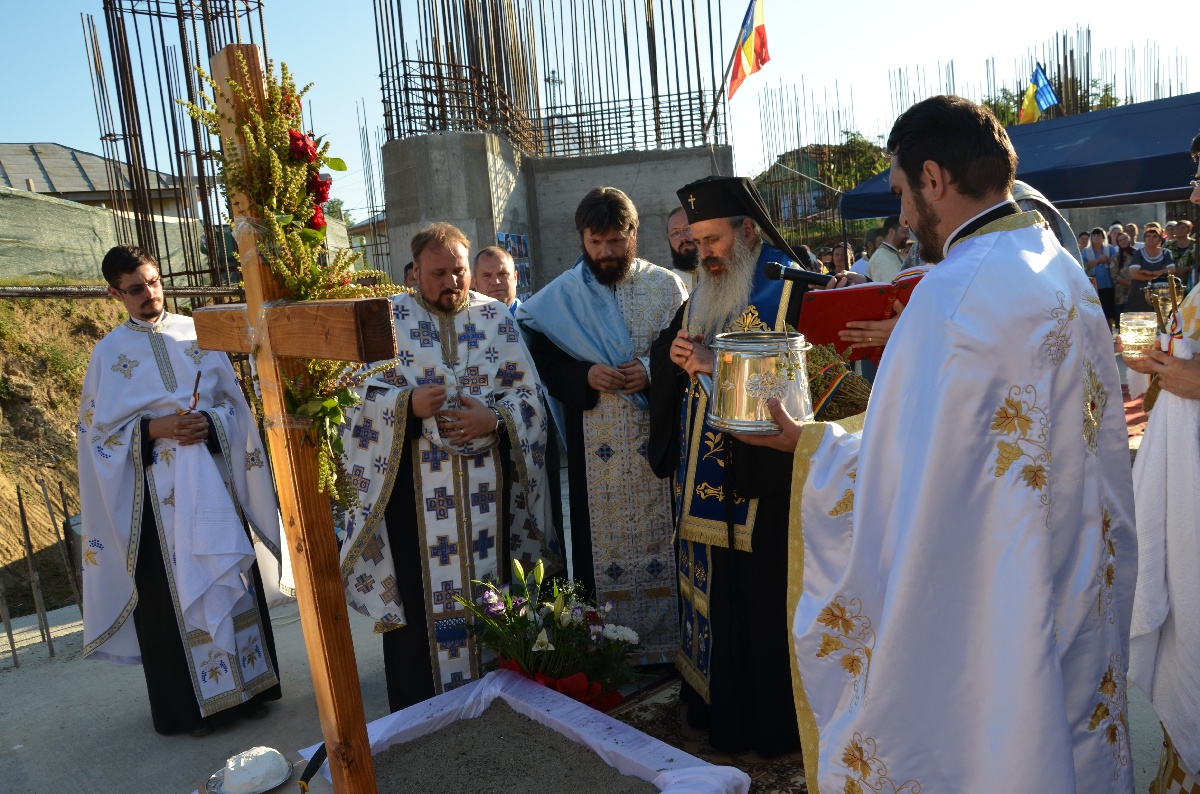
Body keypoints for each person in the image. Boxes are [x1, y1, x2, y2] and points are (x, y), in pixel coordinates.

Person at [738, 96, 1136, 792]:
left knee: (997, 739)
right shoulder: (1058, 265)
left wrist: (810, 448)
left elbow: (903, 471)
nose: (899, 217)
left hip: (1000, 583)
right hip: (1071, 564)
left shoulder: (951, 295)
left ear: (933, 179)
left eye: (898, 192)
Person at [647, 175, 846, 757]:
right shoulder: (705, 291)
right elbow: (674, 355)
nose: (702, 252)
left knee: (757, 608)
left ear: (749, 231)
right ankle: (711, 707)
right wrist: (675, 358)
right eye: (697, 241)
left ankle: (763, 726)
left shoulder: (792, 290)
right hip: (703, 487)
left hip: (763, 490)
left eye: (713, 239)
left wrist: (713, 364)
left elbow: (820, 393)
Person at [338, 222, 560, 710]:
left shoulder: (496, 318)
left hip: (490, 496)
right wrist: (406, 405)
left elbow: (531, 400)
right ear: (415, 272)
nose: (452, 283)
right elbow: (352, 401)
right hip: (413, 496)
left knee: (496, 589)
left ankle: (501, 695)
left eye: (459, 272)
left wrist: (495, 417)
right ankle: (421, 708)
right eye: (438, 273)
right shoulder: (386, 321)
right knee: (419, 613)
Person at [78, 245, 288, 736]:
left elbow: (235, 409)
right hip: (155, 501)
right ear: (115, 293)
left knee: (230, 578)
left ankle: (251, 688)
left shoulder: (200, 334)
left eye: (153, 282)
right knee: (171, 596)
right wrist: (157, 429)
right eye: (135, 289)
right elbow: (98, 440)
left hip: (214, 481)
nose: (149, 294)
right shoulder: (107, 354)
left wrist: (207, 422)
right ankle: (195, 708)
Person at [517, 187, 687, 663]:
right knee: (598, 559)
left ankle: (671, 653)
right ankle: (607, 659)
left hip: (658, 449)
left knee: (666, 549)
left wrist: (652, 374)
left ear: (634, 234)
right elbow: (542, 359)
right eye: (595, 243)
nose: (605, 253)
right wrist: (583, 375)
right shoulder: (562, 296)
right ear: (582, 238)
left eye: (615, 241)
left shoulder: (668, 287)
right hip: (596, 450)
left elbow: (686, 350)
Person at [1127, 223, 1175, 313]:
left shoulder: (1166, 253)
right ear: (1144, 240)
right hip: (1140, 293)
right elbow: (1134, 274)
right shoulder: (1138, 254)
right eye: (1148, 236)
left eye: (1154, 236)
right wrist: (1159, 276)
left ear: (1160, 240)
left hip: (1162, 294)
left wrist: (1151, 273)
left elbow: (1171, 271)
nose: (1151, 238)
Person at [1081, 226, 1118, 325]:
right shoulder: (1086, 251)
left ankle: (1109, 333)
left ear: (1103, 237)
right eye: (1094, 235)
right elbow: (1084, 266)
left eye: (1099, 235)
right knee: (1096, 310)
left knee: (1109, 311)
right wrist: (1098, 260)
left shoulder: (1110, 249)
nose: (1097, 238)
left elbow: (1116, 264)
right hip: (1094, 285)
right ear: (1091, 238)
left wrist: (1108, 261)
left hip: (1109, 284)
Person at [473, 245, 521, 315]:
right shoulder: (466, 321)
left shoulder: (533, 322)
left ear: (515, 277)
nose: (495, 282)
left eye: (503, 274)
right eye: (486, 275)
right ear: (475, 282)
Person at [666, 204, 698, 293]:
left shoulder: (727, 274)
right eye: (675, 233)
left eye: (688, 229)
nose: (683, 238)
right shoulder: (666, 283)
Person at [867, 215, 908, 283]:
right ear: (892, 231)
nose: (908, 236)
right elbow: (895, 287)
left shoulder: (889, 254)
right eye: (904, 232)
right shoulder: (882, 258)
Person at [1164, 218, 1197, 290]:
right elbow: (1162, 259)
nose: (1179, 230)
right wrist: (1176, 270)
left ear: (1189, 230)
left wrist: (1187, 268)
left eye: (1182, 228)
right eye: (1177, 228)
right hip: (1172, 279)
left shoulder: (1196, 244)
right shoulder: (1168, 244)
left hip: (1192, 279)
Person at [1112, 231, 1136, 318]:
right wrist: (1129, 284)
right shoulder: (1115, 257)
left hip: (1137, 289)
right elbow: (1114, 275)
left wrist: (1133, 286)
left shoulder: (1138, 254)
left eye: (1125, 239)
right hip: (1121, 292)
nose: (1123, 241)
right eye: (1120, 240)